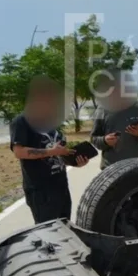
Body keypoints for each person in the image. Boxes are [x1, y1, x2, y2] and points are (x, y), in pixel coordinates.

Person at [10, 76, 90, 224]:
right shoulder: (21, 121)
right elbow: (19, 152)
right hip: (41, 191)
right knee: (49, 235)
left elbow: (58, 154)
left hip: (60, 186)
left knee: (65, 229)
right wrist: (51, 152)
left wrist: (74, 161)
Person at [90, 71, 138, 169]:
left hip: (136, 169)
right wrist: (105, 141)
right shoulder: (102, 109)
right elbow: (94, 138)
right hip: (109, 169)